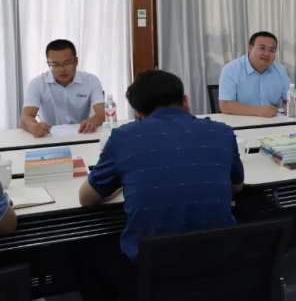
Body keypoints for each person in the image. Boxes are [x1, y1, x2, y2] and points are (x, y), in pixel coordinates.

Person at [77, 70, 244, 300]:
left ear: (138, 113)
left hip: (153, 273)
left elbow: (86, 199)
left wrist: (121, 183)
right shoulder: (222, 132)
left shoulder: (124, 137)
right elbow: (237, 187)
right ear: (185, 101)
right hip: (220, 265)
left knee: (84, 251)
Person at [21, 39, 105, 137]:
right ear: (48, 64)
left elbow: (102, 112)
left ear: (76, 61)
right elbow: (25, 117)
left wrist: (92, 121)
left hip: (82, 134)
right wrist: (33, 127)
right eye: (55, 64)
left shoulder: (91, 81)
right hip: (48, 136)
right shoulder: (38, 83)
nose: (62, 69)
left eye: (66, 63)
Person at [218, 31, 294, 117]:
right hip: (241, 122)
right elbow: (225, 105)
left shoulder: (280, 70)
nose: (267, 54)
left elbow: (292, 98)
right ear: (250, 48)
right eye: (262, 48)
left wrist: (293, 105)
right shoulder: (231, 69)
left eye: (272, 50)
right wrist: (259, 111)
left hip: (272, 121)